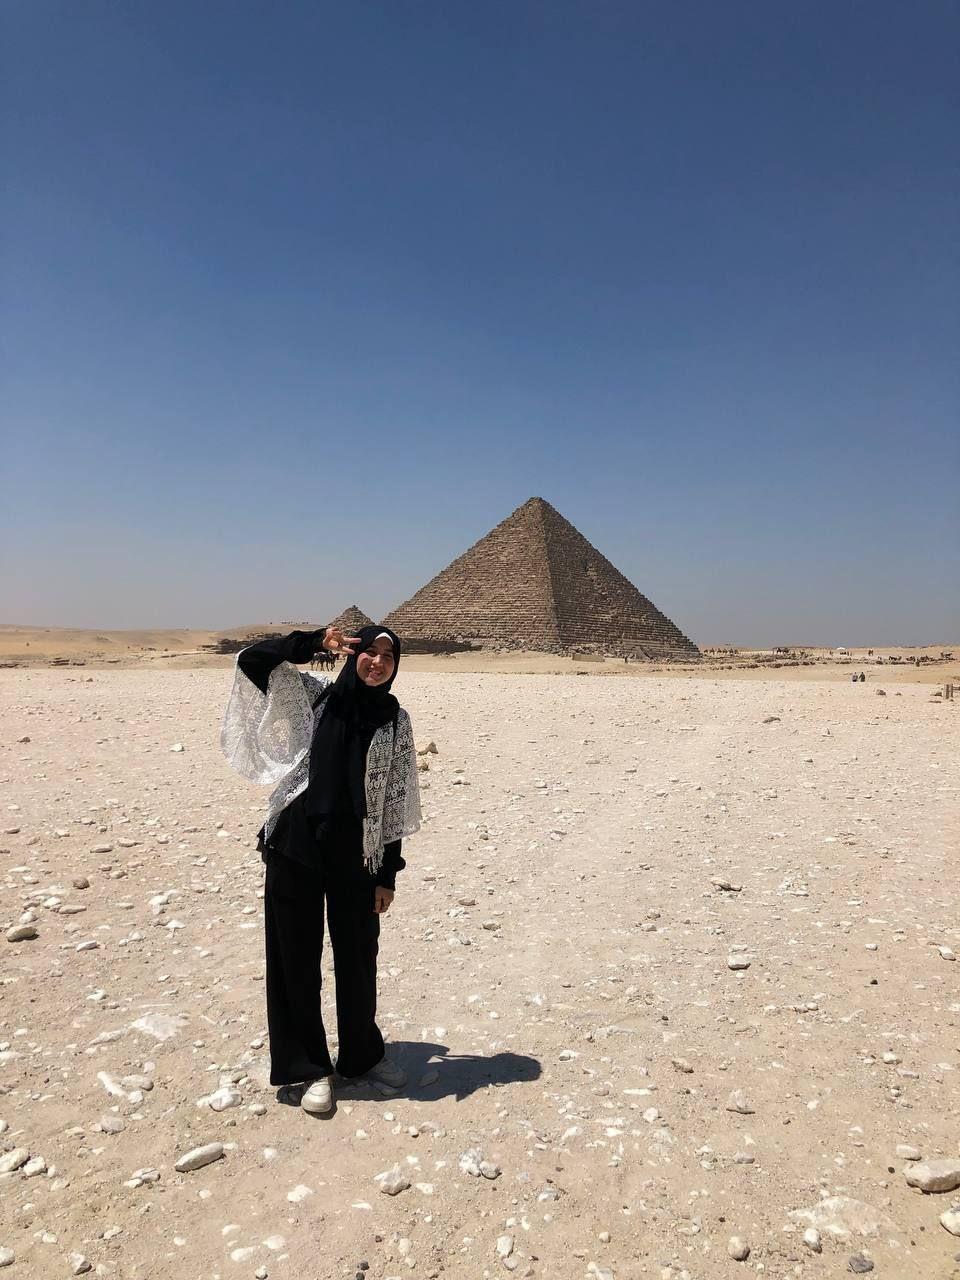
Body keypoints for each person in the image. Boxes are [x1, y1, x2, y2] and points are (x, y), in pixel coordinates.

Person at [221, 623, 421, 1114]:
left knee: (359, 960)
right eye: (369, 651)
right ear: (353, 654)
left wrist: (387, 875)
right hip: (296, 848)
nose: (378, 662)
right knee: (294, 961)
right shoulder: (315, 697)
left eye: (388, 656)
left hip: (359, 857)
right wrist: (311, 643)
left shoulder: (395, 721)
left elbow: (394, 803)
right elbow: (252, 661)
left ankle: (362, 1057)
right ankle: (308, 1067)